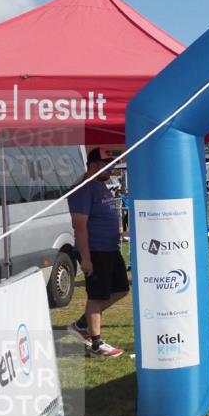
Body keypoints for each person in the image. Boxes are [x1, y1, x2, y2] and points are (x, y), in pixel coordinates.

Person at [66, 148, 127, 358]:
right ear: (92, 165)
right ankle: (96, 344)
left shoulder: (100, 185)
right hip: (96, 251)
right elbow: (79, 226)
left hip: (110, 249)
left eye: (112, 163)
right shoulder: (83, 189)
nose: (111, 168)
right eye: (106, 164)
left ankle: (83, 324)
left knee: (120, 289)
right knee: (97, 295)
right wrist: (86, 258)